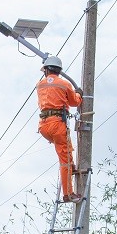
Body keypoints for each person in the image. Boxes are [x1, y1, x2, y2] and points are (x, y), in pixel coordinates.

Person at [36, 55, 84, 204]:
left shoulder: (40, 85)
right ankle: (68, 194)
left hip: (44, 125)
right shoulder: (64, 84)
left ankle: (71, 166)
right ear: (58, 70)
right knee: (65, 160)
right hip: (57, 124)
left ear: (46, 70)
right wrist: (79, 94)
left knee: (66, 151)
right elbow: (74, 102)